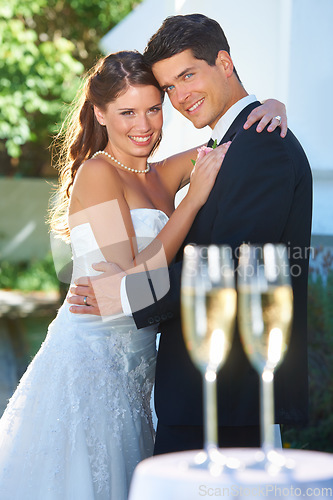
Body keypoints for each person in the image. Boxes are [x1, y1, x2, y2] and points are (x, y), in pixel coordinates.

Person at [0, 50, 284, 499]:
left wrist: (269, 109)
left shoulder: (161, 173)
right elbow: (134, 280)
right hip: (91, 360)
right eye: (127, 112)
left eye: (154, 108)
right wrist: (190, 204)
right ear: (100, 113)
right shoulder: (97, 172)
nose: (145, 125)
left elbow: (231, 141)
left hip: (141, 365)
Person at [69, 14, 312, 455]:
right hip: (175, 382)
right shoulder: (235, 141)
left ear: (224, 63)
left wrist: (122, 295)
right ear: (101, 114)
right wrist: (268, 104)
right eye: (169, 88)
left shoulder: (259, 144)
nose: (180, 98)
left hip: (223, 395)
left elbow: (228, 270)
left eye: (187, 76)